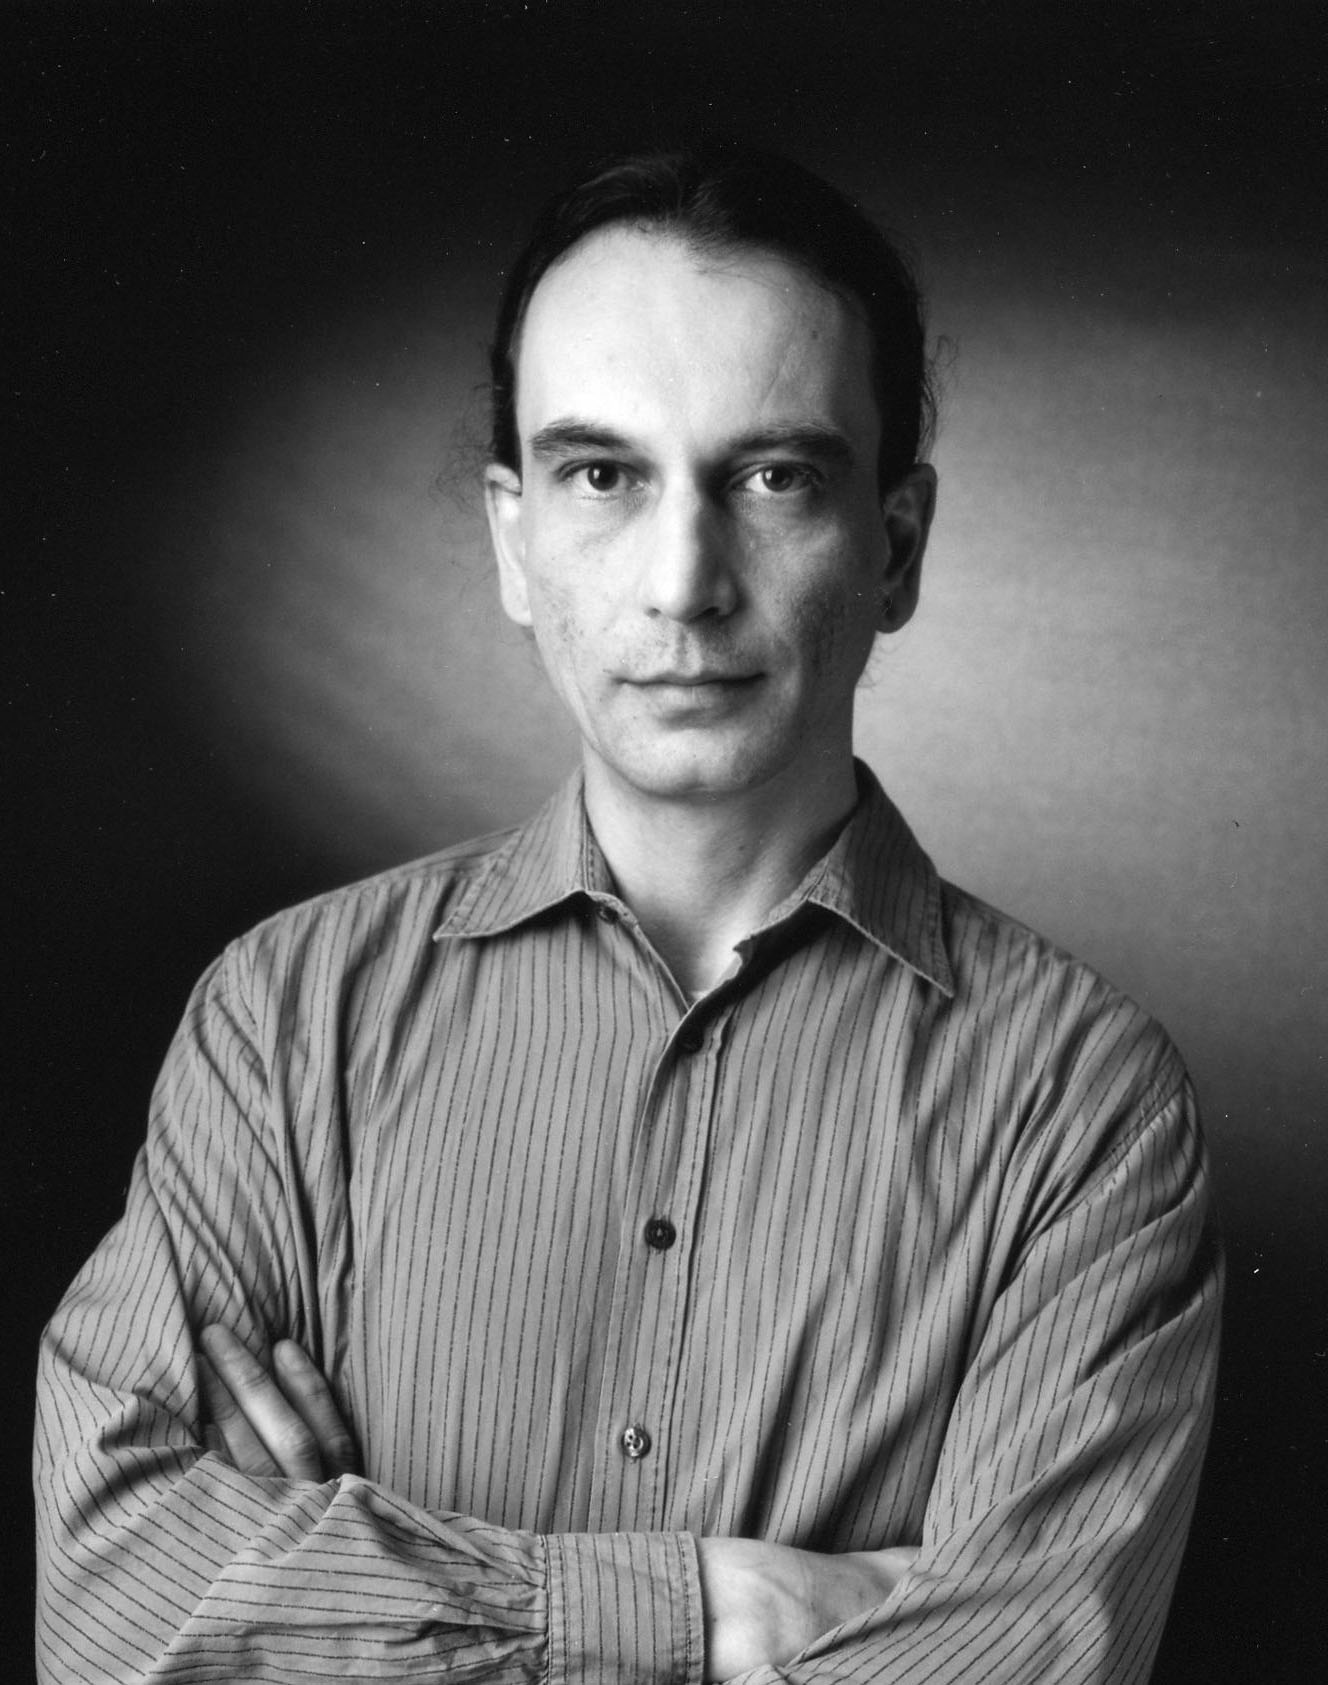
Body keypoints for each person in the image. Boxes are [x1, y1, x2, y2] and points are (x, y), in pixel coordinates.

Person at [34, 148, 1221, 1685]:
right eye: (603, 475)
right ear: (513, 541)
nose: (683, 582)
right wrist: (722, 1610)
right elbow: (113, 1611)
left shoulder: (1088, 1102)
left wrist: (348, 1589)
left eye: (775, 477)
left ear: (898, 545)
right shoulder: (283, 1016)